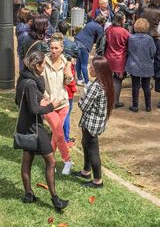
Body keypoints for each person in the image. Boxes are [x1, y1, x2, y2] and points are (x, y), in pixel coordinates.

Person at [15, 51, 69, 211]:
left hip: (24, 126)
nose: (44, 67)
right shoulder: (31, 83)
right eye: (43, 65)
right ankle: (55, 200)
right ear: (36, 66)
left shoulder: (23, 79)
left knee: (27, 162)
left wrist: (41, 98)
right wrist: (52, 105)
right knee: (51, 162)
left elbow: (18, 100)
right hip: (35, 128)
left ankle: (28, 194)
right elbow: (34, 109)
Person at [73, 56, 114, 188]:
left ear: (99, 70)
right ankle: (86, 171)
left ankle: (98, 180)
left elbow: (84, 106)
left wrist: (81, 98)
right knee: (85, 144)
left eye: (92, 67)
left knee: (92, 150)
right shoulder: (105, 83)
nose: (89, 68)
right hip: (96, 122)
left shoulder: (96, 87)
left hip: (91, 124)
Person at [41, 33, 75, 175]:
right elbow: (40, 83)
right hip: (49, 104)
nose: (53, 50)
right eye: (51, 47)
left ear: (62, 49)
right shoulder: (44, 61)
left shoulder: (65, 63)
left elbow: (68, 83)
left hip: (63, 103)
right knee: (59, 132)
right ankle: (67, 160)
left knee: (56, 134)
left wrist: (68, 71)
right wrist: (47, 98)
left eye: (56, 48)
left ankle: (50, 162)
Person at [126, 19, 157, 112]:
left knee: (135, 86)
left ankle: (135, 106)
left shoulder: (131, 38)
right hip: (146, 64)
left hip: (134, 64)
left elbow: (129, 50)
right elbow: (153, 52)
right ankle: (148, 106)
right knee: (146, 86)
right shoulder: (149, 39)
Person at [104, 12, 129, 108]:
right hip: (119, 59)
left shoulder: (108, 29)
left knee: (109, 80)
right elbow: (129, 42)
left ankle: (108, 101)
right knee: (118, 81)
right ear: (121, 20)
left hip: (108, 57)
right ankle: (115, 102)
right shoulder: (124, 31)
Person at [74, 15, 106, 85]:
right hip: (85, 45)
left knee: (79, 61)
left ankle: (79, 79)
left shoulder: (90, 23)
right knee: (84, 64)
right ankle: (87, 81)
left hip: (77, 40)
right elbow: (100, 39)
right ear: (102, 22)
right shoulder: (99, 27)